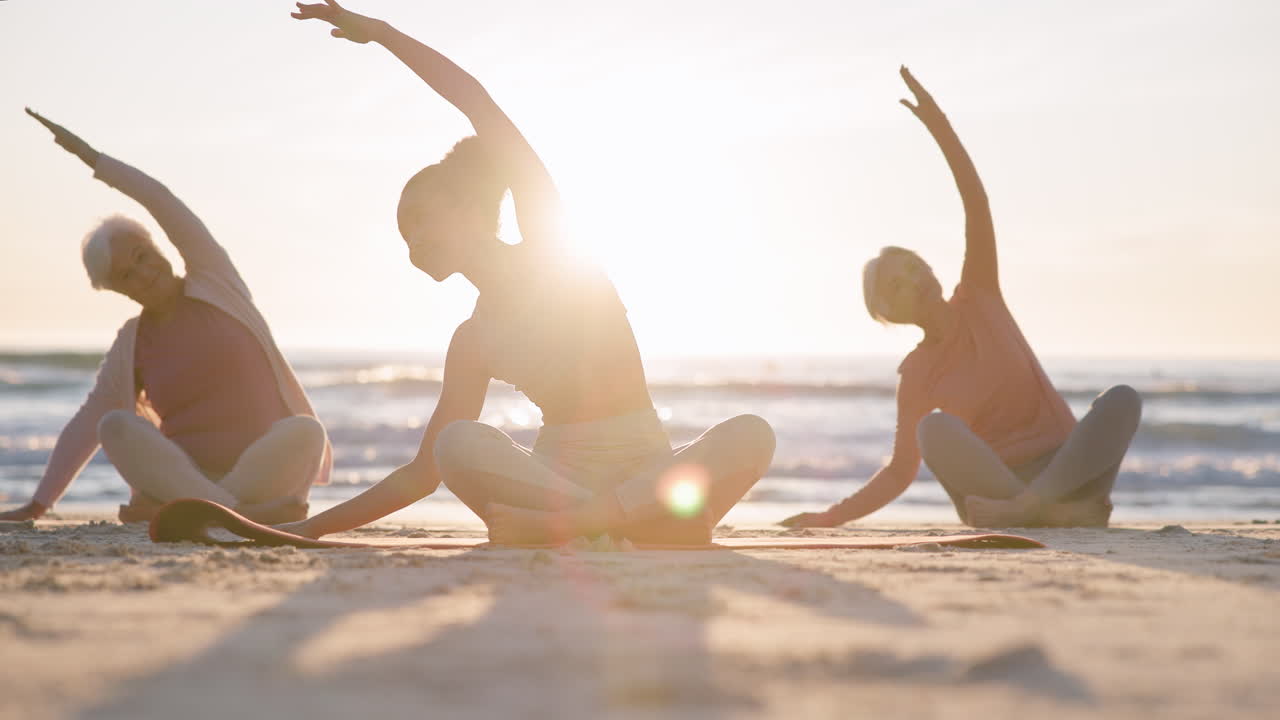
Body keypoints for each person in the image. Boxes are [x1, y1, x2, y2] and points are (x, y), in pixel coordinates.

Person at [280, 1, 774, 545]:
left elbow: (477, 104)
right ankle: (630, 522)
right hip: (556, 485)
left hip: (645, 466)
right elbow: (423, 474)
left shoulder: (552, 252)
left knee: (752, 434)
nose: (411, 240)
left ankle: (589, 524)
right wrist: (310, 527)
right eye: (402, 233)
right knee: (455, 443)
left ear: (471, 209)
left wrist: (382, 33)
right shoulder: (472, 340)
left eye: (419, 218)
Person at [782, 67, 1142, 529]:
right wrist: (828, 517)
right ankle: (1043, 511)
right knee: (933, 429)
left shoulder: (980, 295)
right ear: (889, 313)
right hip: (998, 489)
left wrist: (940, 127)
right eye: (897, 284)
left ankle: (1038, 507)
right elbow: (899, 472)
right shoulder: (917, 374)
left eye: (913, 266)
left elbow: (976, 204)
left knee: (1121, 399)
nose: (913, 279)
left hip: (1069, 478)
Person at [0, 110, 331, 524]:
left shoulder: (217, 283)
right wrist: (38, 505)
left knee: (306, 431)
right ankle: (235, 513)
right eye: (126, 275)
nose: (143, 273)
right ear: (116, 289)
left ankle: (215, 511)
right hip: (187, 481)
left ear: (158, 246)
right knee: (114, 425)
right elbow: (86, 424)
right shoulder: (133, 343)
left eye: (142, 256)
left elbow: (162, 201)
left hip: (262, 475)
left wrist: (91, 157)